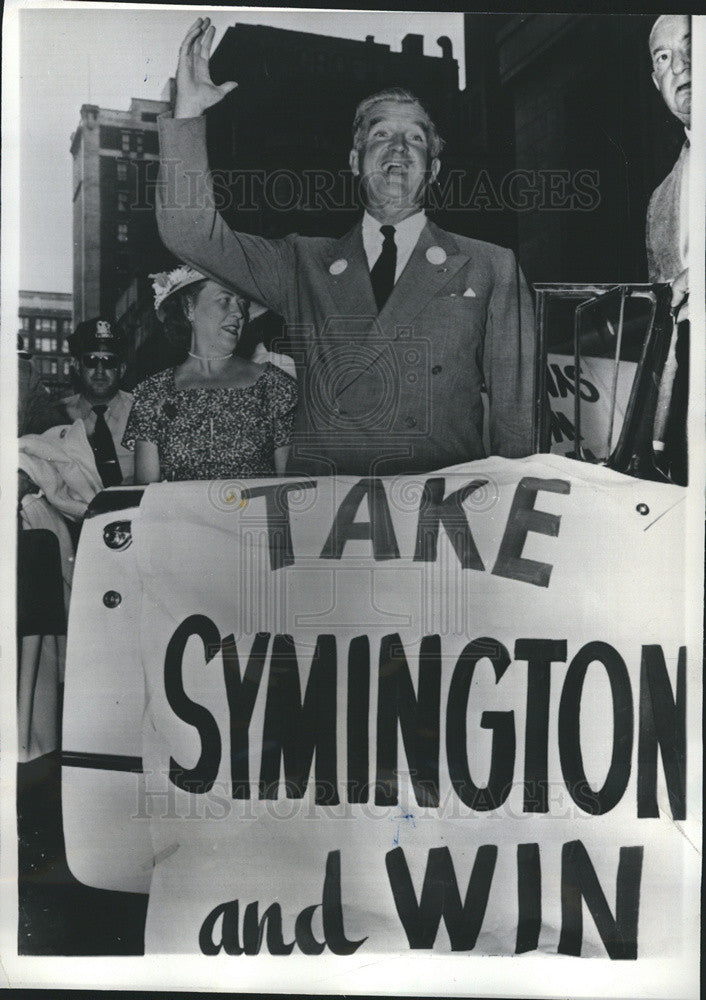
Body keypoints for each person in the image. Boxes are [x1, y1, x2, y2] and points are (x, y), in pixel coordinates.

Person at [156, 18, 537, 477]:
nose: (397, 148)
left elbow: (519, 425)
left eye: (415, 138)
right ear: (355, 162)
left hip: (438, 516)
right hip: (331, 520)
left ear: (433, 169)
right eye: (380, 135)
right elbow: (190, 234)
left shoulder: (491, 267)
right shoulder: (303, 263)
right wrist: (188, 116)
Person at [122, 266, 297, 482]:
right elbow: (146, 497)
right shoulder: (153, 393)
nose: (239, 314)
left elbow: (290, 490)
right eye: (225, 300)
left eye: (243, 304)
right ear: (189, 308)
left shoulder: (274, 386)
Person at [646, 13, 690, 485]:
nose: (682, 65)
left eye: (693, 44)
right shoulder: (659, 201)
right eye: (665, 57)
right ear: (656, 79)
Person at [62, 318, 135, 486]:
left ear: (122, 369)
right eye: (91, 361)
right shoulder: (58, 415)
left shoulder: (142, 412)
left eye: (109, 362)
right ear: (77, 366)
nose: (100, 371)